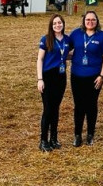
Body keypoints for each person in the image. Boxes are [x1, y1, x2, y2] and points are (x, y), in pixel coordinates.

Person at [69, 10, 103, 147]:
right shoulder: (76, 34)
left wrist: (102, 76)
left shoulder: (102, 37)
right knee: (79, 105)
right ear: (83, 21)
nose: (90, 22)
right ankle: (77, 134)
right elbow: (66, 50)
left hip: (94, 76)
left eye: (93, 20)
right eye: (88, 20)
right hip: (77, 75)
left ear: (97, 21)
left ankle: (90, 134)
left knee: (91, 105)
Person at [36, 14, 71, 152]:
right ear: (51, 25)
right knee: (48, 109)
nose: (58, 25)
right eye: (55, 23)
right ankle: (43, 140)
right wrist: (40, 79)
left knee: (56, 109)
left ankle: (54, 138)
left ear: (63, 24)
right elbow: (40, 59)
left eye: (60, 23)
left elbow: (65, 54)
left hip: (61, 77)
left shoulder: (67, 39)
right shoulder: (46, 39)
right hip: (48, 76)